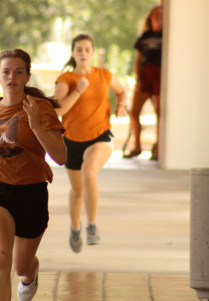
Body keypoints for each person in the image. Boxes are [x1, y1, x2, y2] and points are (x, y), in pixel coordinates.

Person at [0, 49, 67, 301]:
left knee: (20, 266)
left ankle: (30, 274)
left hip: (31, 192)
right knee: (0, 259)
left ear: (27, 76)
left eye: (18, 72)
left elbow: (61, 157)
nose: (12, 77)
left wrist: (36, 126)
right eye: (6, 72)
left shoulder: (39, 108)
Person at [53, 33, 127, 253]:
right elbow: (58, 110)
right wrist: (78, 90)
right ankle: (75, 228)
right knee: (77, 191)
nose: (83, 53)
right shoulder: (66, 79)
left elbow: (121, 91)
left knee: (89, 172)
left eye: (87, 49)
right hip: (72, 141)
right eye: (79, 50)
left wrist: (120, 105)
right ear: (73, 53)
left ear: (93, 53)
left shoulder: (104, 75)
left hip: (100, 136)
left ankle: (91, 226)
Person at [123, 5, 163, 160]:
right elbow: (137, 60)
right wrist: (138, 78)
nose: (159, 16)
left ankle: (158, 148)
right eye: (156, 14)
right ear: (151, 17)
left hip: (160, 76)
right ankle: (137, 146)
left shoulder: (168, 35)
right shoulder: (144, 37)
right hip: (146, 75)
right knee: (134, 112)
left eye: (162, 14)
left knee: (160, 114)